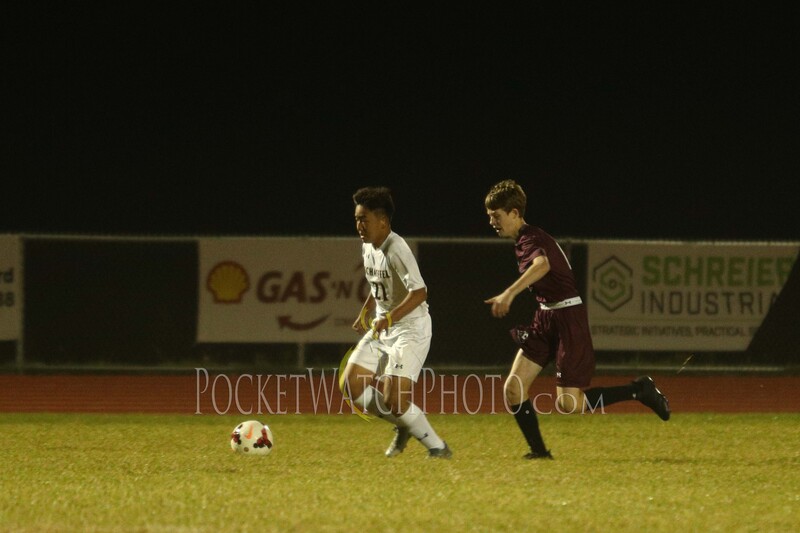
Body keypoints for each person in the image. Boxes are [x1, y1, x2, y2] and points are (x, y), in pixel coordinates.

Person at [483, 179, 670, 460]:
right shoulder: (523, 239)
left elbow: (542, 265)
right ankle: (539, 452)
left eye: (496, 216)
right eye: (489, 217)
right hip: (545, 317)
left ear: (514, 213)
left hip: (568, 318)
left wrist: (508, 294)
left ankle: (639, 390)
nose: (492, 222)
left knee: (569, 403)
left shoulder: (530, 237)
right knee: (513, 388)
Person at [342, 186, 452, 459]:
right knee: (351, 385)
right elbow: (379, 283)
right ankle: (405, 425)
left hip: (410, 329)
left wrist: (388, 317)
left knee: (395, 400)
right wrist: (366, 311)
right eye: (356, 219)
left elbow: (420, 292)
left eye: (363, 219)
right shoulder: (368, 246)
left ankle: (438, 448)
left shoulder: (397, 248)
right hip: (384, 325)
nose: (359, 225)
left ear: (382, 221)